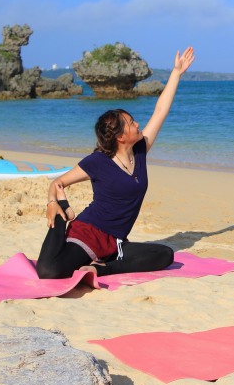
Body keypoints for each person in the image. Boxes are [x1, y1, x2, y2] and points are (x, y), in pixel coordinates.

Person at [35, 47, 195, 279]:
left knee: (165, 255)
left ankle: (102, 268)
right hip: (88, 234)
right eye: (131, 123)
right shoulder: (98, 162)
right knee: (49, 270)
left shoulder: (140, 151)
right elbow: (58, 182)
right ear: (120, 136)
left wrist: (176, 73)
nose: (137, 123)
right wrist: (53, 203)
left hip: (116, 243)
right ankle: (62, 225)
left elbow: (160, 111)